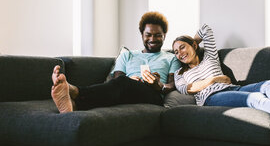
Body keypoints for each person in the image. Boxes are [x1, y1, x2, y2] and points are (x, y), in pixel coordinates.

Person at [172, 24, 270, 117]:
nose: (180, 53)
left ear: (193, 45)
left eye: (182, 47)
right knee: (255, 98)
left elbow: (205, 29)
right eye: (176, 52)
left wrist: (193, 42)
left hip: (232, 88)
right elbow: (189, 89)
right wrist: (215, 79)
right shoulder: (181, 74)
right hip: (211, 98)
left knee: (267, 85)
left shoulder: (209, 56)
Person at [51, 11, 180, 113]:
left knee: (123, 83)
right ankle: (73, 105)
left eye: (158, 35)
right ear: (142, 35)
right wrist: (132, 81)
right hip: (126, 90)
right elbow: (117, 80)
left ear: (164, 36)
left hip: (152, 95)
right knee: (122, 83)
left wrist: (159, 85)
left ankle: (75, 91)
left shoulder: (171, 57)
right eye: (148, 35)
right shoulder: (127, 55)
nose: (152, 39)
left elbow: (173, 84)